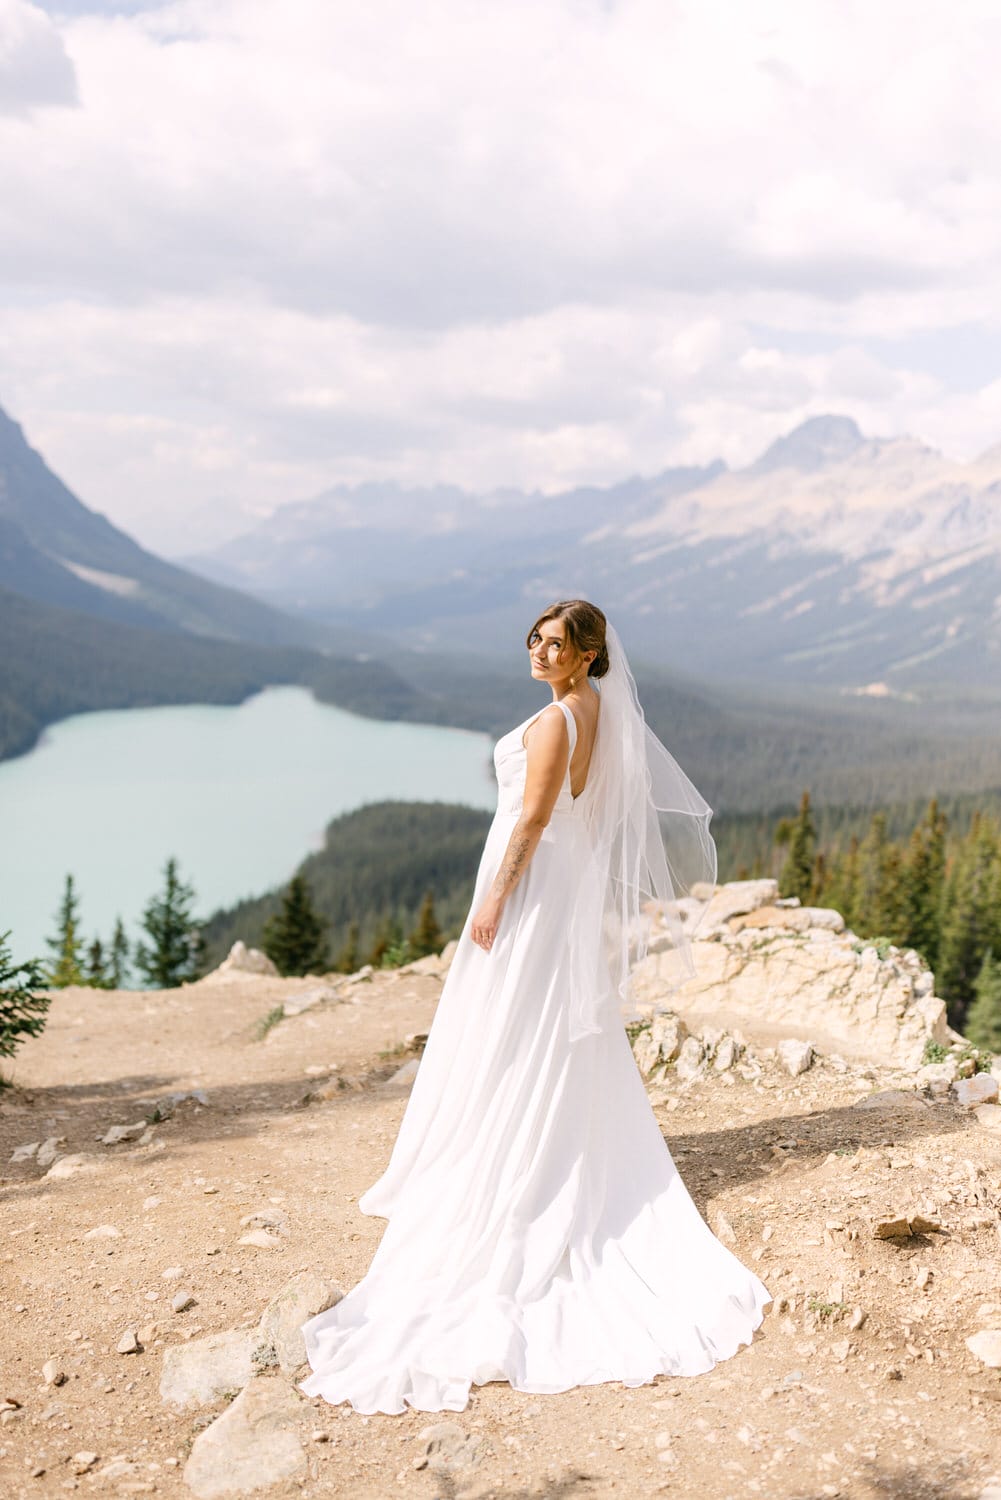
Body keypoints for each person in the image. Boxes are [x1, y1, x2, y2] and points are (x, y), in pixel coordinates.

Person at [299, 599, 770, 1416]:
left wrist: (493, 900)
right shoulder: (593, 713)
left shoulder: (558, 721)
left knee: (516, 1020)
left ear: (588, 657)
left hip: (534, 884)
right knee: (544, 1022)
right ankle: (544, 1139)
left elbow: (534, 817)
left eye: (557, 644)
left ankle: (517, 1158)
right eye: (536, 639)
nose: (540, 651)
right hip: (564, 885)